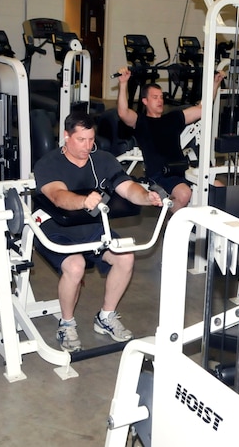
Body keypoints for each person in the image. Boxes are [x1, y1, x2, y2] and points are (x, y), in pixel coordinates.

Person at [33, 111, 162, 353]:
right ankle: (67, 323)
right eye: (81, 140)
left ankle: (106, 316)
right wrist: (82, 201)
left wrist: (146, 197)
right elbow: (58, 196)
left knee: (125, 256)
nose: (87, 146)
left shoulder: (102, 159)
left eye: (91, 139)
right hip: (56, 230)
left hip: (93, 229)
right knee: (75, 266)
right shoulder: (48, 163)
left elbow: (126, 187)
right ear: (66, 137)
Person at [115, 67, 225, 212]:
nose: (160, 100)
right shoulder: (141, 122)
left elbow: (201, 109)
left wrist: (215, 84)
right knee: (184, 193)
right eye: (155, 97)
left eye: (161, 97)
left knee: (220, 189)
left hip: (183, 171)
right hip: (160, 175)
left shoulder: (173, 118)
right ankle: (172, 227)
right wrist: (123, 83)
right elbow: (123, 112)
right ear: (145, 101)